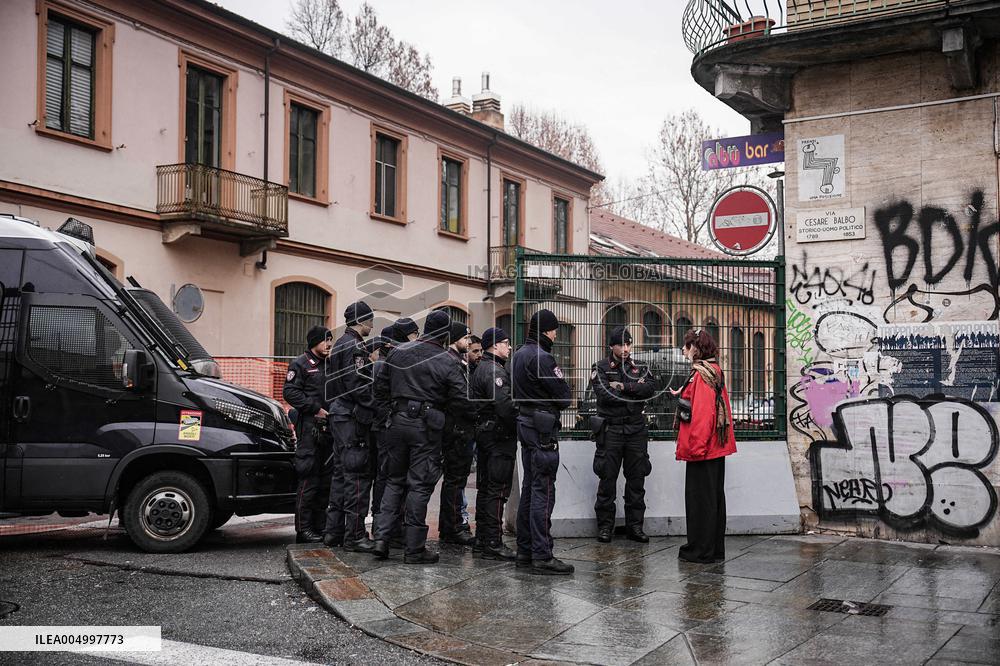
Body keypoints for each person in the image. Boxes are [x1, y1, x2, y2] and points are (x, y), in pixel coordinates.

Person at [371, 310, 470, 563]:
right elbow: (460, 400)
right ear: (446, 334)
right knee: (419, 485)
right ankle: (414, 548)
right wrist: (446, 424)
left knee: (393, 481)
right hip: (425, 428)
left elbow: (380, 389)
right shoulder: (448, 359)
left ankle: (381, 539)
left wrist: (387, 419)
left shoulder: (398, 351)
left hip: (396, 423)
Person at [511, 309, 574, 575]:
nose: (556, 334)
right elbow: (564, 396)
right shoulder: (542, 358)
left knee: (529, 487)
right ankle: (542, 553)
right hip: (543, 430)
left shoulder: (517, 355)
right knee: (543, 490)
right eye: (554, 330)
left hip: (525, 424)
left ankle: (525, 549)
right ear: (546, 330)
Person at [674, 328, 737, 563]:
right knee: (714, 500)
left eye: (687, 346)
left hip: (702, 449)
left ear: (696, 349)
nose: (684, 350)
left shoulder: (701, 374)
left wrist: (695, 449)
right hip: (715, 448)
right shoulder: (714, 371)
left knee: (700, 501)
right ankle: (714, 548)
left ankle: (700, 550)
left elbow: (701, 414)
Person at [590, 326, 655, 543]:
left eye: (628, 344)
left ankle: (635, 527)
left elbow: (650, 390)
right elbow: (603, 394)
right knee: (607, 480)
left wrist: (621, 386)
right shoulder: (600, 367)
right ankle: (605, 527)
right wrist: (634, 389)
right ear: (611, 346)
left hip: (636, 430)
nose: (625, 348)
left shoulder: (640, 367)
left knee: (636, 480)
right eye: (621, 344)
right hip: (611, 430)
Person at [325, 301, 375, 551]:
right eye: (370, 320)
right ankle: (355, 535)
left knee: (340, 475)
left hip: (338, 414)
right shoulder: (355, 346)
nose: (372, 325)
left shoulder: (339, 345)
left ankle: (333, 532)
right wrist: (374, 404)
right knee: (357, 476)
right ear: (361, 321)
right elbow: (358, 384)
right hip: (351, 417)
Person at [282, 325, 333, 543]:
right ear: (314, 342)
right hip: (310, 428)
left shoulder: (330, 364)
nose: (329, 344)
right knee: (309, 477)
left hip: (328, 429)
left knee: (325, 481)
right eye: (325, 340)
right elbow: (290, 392)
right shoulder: (300, 364)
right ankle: (304, 529)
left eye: (330, 340)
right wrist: (315, 409)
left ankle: (320, 526)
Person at [470, 327, 517, 560]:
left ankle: (482, 540)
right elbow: (504, 406)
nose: (509, 347)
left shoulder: (484, 367)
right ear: (495, 345)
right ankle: (492, 541)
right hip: (497, 436)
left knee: (487, 488)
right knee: (497, 490)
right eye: (506, 343)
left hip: (487, 434)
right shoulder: (493, 370)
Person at [438, 321, 478, 545]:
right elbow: (462, 397)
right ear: (455, 339)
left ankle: (450, 526)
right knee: (455, 481)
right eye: (466, 338)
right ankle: (452, 527)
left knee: (455, 481)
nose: (469, 342)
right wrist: (477, 411)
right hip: (457, 428)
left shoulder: (457, 361)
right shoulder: (452, 363)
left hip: (457, 427)